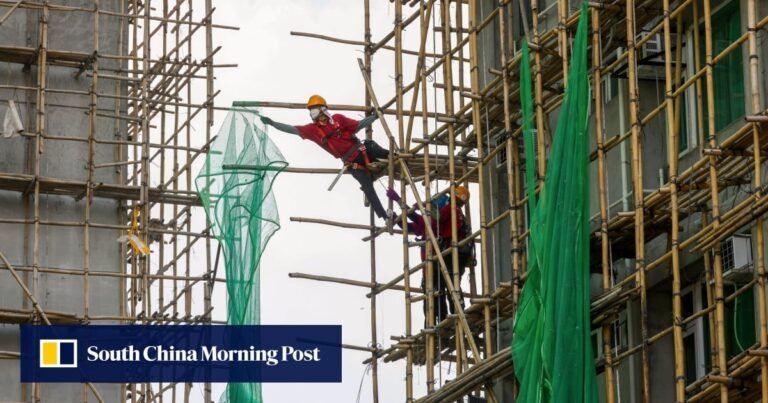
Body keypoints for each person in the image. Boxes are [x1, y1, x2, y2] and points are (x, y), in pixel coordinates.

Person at [260, 95, 392, 220]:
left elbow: (359, 125)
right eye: (311, 111)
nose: (313, 114)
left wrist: (375, 117)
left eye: (315, 110)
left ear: (323, 109)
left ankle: (393, 156)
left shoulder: (338, 119)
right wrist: (273, 123)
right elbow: (293, 129)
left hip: (362, 151)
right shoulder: (313, 130)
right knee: (367, 186)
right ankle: (385, 216)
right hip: (351, 162)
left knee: (373, 147)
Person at [386, 185, 475, 324]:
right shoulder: (454, 215)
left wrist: (400, 200)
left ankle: (442, 321)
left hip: (444, 258)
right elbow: (415, 224)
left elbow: (421, 221)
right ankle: (456, 317)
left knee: (436, 291)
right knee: (451, 288)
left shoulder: (449, 210)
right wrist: (400, 209)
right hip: (453, 258)